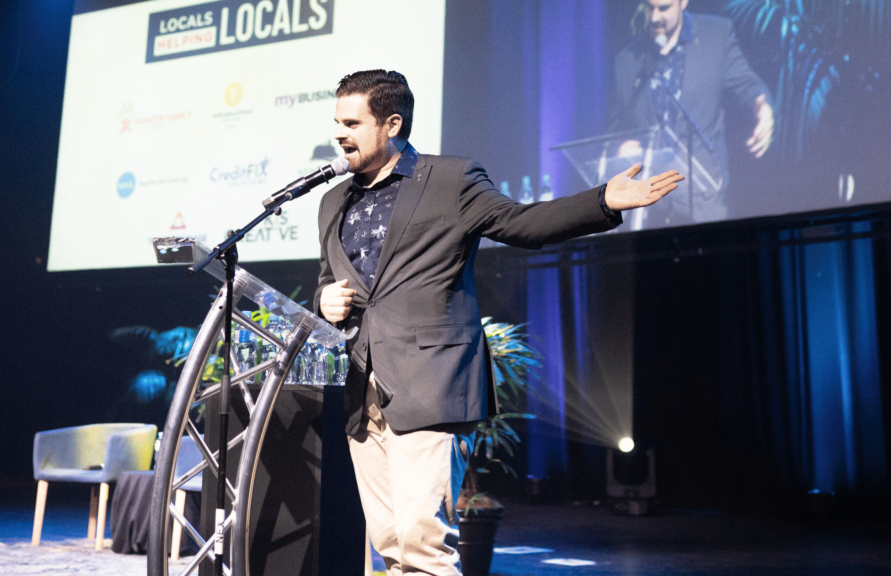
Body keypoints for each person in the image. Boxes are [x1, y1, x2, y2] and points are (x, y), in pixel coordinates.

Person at [313, 70, 682, 576]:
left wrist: (601, 202)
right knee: (391, 546)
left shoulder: (450, 179)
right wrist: (324, 300)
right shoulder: (334, 201)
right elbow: (327, 280)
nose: (339, 133)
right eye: (337, 122)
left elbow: (522, 223)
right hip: (363, 394)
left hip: (430, 383)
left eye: (351, 123)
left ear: (392, 124)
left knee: (422, 544)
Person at [611, 0, 773, 225]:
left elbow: (748, 86)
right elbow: (616, 129)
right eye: (649, 7)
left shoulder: (715, 36)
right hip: (651, 210)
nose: (655, 17)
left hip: (705, 206)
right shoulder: (627, 60)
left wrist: (763, 109)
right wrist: (620, 147)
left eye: (664, 8)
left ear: (683, 2)